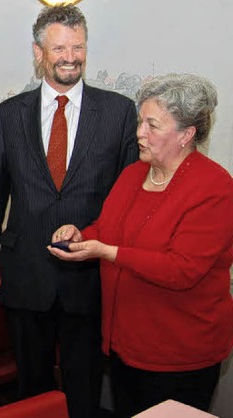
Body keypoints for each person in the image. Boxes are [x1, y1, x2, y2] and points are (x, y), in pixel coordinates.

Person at [0, 5, 138, 418]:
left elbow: (127, 200)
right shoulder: (8, 114)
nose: (70, 56)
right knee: (32, 388)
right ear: (38, 51)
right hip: (25, 272)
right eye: (60, 47)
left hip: (89, 277)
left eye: (78, 46)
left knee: (85, 387)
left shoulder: (119, 113)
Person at [49, 73, 233, 417]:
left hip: (179, 355)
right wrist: (81, 234)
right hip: (125, 346)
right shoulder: (134, 174)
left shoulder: (214, 188)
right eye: (140, 122)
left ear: (186, 134)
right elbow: (106, 228)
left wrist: (107, 252)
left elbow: (182, 270)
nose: (139, 134)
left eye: (152, 125)